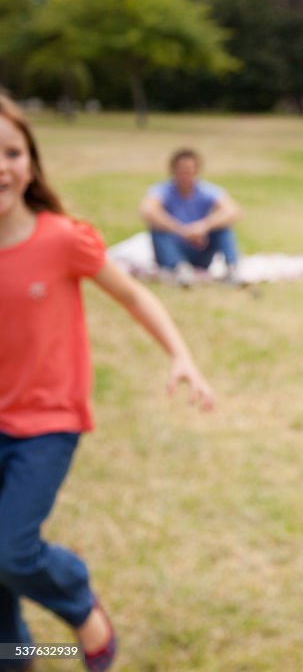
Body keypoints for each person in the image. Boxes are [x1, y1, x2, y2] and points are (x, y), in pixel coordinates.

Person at [0, 94, 215, 672]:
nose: (1, 165)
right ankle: (19, 658)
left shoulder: (62, 238)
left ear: (31, 160)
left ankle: (82, 609)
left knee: (11, 548)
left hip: (46, 423)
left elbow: (133, 293)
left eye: (12, 151)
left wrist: (180, 355)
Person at [139, 148, 242, 287]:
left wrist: (203, 226)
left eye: (189, 170)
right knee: (158, 229)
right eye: (181, 170)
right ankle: (179, 270)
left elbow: (233, 211)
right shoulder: (163, 190)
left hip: (201, 248)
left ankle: (232, 269)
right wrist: (181, 230)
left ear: (196, 171)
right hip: (173, 248)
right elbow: (147, 210)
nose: (185, 175)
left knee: (223, 228)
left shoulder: (206, 190)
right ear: (173, 170)